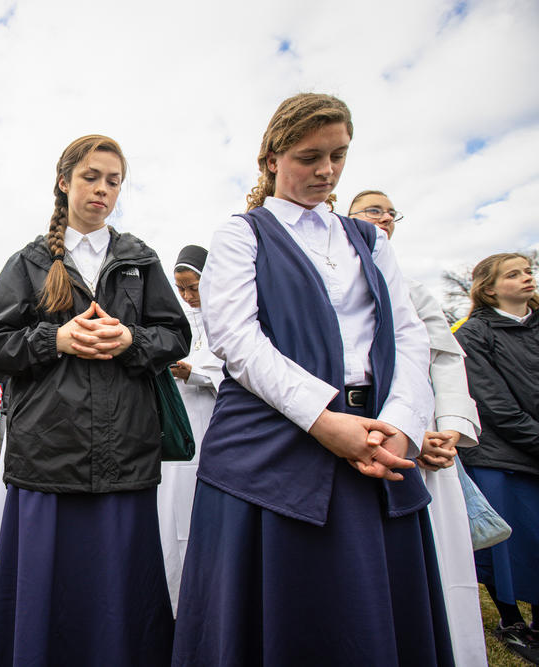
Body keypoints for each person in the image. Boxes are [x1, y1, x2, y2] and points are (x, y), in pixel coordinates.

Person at [172, 94, 453, 666]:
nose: (326, 172)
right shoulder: (242, 233)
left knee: (366, 616)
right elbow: (237, 339)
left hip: (374, 442)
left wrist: (400, 426)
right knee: (271, 616)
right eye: (309, 157)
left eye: (338, 156)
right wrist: (324, 420)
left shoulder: (367, 240)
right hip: (268, 444)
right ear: (271, 158)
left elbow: (409, 335)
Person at [0, 135, 190, 667]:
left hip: (126, 455)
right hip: (48, 456)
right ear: (64, 180)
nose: (102, 189)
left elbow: (176, 335)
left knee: (120, 596)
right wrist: (57, 339)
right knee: (51, 596)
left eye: (113, 181)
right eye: (91, 176)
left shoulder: (141, 260)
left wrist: (131, 341)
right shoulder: (26, 262)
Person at [349, 190, 487, 666]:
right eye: (372, 210)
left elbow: (443, 360)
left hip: (425, 439)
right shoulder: (335, 287)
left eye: (391, 212)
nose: (384, 218)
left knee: (439, 566)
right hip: (365, 436)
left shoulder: (414, 289)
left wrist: (444, 427)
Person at [454, 252, 539, 664]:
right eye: (514, 273)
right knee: (507, 544)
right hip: (501, 455)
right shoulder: (473, 334)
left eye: (528, 271)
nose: (527, 278)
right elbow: (495, 405)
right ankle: (510, 621)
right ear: (488, 288)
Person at [161, 244, 223, 616]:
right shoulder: (178, 320)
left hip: (212, 425)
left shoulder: (230, 317)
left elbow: (237, 368)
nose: (187, 296)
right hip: (178, 428)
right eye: (180, 288)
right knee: (172, 516)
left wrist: (194, 373)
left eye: (193, 287)